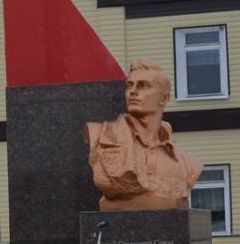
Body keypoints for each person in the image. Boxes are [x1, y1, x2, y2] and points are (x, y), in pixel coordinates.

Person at [84, 59, 203, 211]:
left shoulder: (187, 163)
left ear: (164, 98)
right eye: (129, 85)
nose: (132, 91)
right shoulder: (100, 136)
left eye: (143, 86)